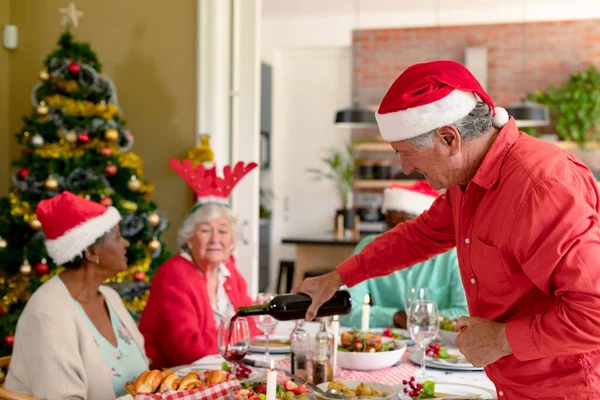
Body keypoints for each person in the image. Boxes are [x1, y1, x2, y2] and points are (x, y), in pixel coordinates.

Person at [292, 60, 600, 398]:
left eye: (406, 153)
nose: (406, 168)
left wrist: (500, 339)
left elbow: (594, 312)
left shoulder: (539, 187)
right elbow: (418, 236)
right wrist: (338, 276)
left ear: (449, 137)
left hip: (570, 386)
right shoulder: (467, 179)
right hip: (517, 384)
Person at [5, 191, 148, 399]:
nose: (125, 244)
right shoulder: (47, 314)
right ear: (91, 253)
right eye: (118, 237)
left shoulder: (110, 297)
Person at [139, 159, 260, 369]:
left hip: (218, 369)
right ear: (189, 238)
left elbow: (254, 321)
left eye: (223, 231)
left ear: (231, 240)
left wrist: (234, 335)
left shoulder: (228, 268)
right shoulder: (174, 274)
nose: (215, 239)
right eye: (205, 230)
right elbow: (188, 350)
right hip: (177, 378)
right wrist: (237, 336)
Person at [340, 180, 467, 329]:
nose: (395, 236)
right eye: (390, 226)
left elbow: (464, 313)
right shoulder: (368, 247)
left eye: (407, 229)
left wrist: (414, 318)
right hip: (388, 344)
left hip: (440, 345)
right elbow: (346, 312)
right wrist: (394, 316)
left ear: (427, 227)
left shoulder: (453, 254)